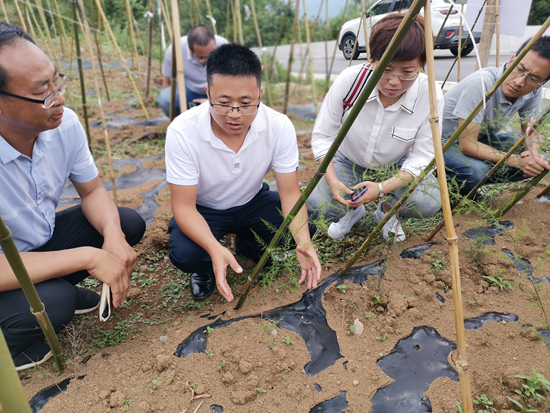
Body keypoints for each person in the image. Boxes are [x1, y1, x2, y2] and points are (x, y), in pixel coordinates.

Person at [0, 23, 146, 371]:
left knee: (125, 223)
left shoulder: (64, 125)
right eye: (43, 91)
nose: (59, 98)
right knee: (56, 302)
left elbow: (93, 190)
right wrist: (87, 257)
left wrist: (111, 237)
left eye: (56, 81)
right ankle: (12, 342)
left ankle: (53, 287)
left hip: (33, 250)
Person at [165, 43, 321, 302]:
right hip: (205, 209)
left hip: (251, 202)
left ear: (259, 93)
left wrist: (304, 242)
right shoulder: (183, 131)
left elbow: (291, 193)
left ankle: (247, 243)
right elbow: (183, 208)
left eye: (246, 103)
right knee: (187, 253)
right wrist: (214, 249)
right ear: (208, 92)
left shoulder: (278, 126)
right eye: (223, 103)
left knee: (305, 226)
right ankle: (205, 267)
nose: (234, 115)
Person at [306, 14, 443, 243]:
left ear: (422, 65)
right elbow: (323, 136)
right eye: (386, 70)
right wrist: (332, 180)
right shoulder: (351, 81)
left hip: (396, 164)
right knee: (316, 203)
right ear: (372, 60)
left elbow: (423, 155)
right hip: (347, 160)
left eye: (407, 72)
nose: (394, 82)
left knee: (428, 202)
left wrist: (381, 188)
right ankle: (353, 211)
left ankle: (386, 209)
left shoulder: (430, 94)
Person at [442, 36, 550, 196]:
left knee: (541, 160)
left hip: (481, 137)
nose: (519, 82)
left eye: (533, 79)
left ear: (542, 82)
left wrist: (532, 153)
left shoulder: (534, 90)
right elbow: (467, 144)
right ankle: (450, 187)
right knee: (477, 172)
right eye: (520, 69)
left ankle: (465, 184)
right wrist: (516, 161)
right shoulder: (482, 83)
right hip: (442, 142)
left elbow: (531, 130)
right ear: (513, 59)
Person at [157, 25, 227, 117]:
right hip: (189, 90)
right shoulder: (176, 50)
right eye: (201, 57)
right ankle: (183, 126)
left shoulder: (224, 46)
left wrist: (214, 101)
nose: (207, 60)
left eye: (211, 54)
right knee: (165, 99)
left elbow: (234, 81)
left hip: (218, 92)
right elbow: (167, 81)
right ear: (190, 50)